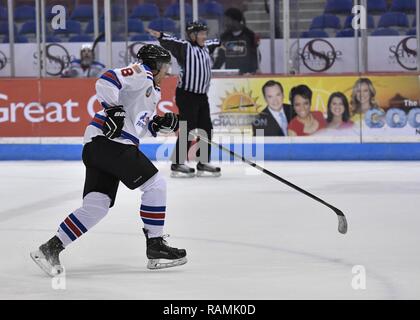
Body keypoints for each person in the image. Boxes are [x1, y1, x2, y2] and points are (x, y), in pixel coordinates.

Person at [30, 44, 187, 276]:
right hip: (110, 143)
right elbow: (107, 79)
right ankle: (155, 246)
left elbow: (140, 123)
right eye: (164, 67)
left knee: (96, 207)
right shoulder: (141, 72)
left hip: (99, 147)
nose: (167, 72)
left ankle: (49, 248)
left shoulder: (152, 89)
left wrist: (158, 124)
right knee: (155, 184)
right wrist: (113, 110)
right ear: (153, 65)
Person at [147, 21, 221, 178]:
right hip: (186, 94)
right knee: (189, 127)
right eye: (200, 34)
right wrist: (160, 35)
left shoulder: (207, 47)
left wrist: (223, 43)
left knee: (206, 127)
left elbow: (216, 42)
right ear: (192, 36)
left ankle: (203, 161)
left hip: (202, 96)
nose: (204, 36)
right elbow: (172, 41)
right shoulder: (185, 48)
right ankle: (178, 163)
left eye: (204, 33)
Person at [213, 8, 260, 75]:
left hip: (247, 77)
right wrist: (212, 73)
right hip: (230, 77)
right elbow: (220, 58)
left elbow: (255, 58)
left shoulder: (250, 36)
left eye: (227, 20)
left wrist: (252, 73)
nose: (225, 23)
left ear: (235, 21)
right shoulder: (224, 37)